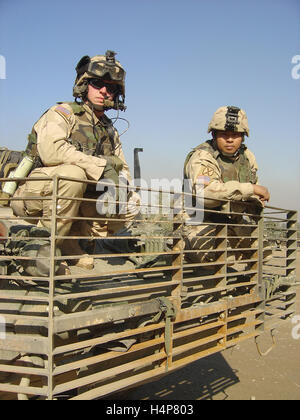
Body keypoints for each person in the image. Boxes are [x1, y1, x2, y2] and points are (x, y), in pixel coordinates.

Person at [11, 50, 139, 269]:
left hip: (75, 197)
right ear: (84, 85)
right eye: (97, 84)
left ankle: (73, 242)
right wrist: (101, 166)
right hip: (37, 193)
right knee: (74, 174)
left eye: (112, 87)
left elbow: (122, 167)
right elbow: (52, 152)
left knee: (130, 197)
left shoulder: (110, 130)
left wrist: (122, 184)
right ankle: (44, 248)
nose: (105, 91)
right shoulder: (62, 113)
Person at [183, 105, 270, 265]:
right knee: (221, 256)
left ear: (243, 137)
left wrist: (255, 201)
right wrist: (251, 189)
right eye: (224, 134)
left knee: (263, 252)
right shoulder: (203, 156)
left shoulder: (247, 157)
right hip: (200, 222)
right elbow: (206, 195)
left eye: (235, 135)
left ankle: (246, 285)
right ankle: (186, 250)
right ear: (214, 135)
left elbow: (254, 190)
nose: (230, 139)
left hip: (232, 221)